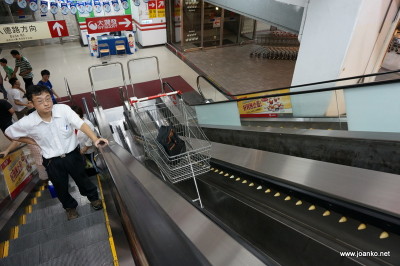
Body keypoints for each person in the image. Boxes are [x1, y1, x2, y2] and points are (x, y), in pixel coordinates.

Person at [5, 85, 109, 220]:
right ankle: (70, 208)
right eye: (40, 101)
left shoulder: (63, 110)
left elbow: (81, 124)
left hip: (73, 155)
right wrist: (31, 141)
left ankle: (94, 199)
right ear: (31, 103)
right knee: (60, 187)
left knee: (83, 180)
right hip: (52, 161)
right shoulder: (28, 122)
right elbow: (9, 133)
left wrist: (95, 139)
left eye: (48, 98)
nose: (47, 103)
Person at [71, 106, 99, 175]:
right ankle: (89, 173)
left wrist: (85, 149)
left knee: (91, 161)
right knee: (85, 163)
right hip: (79, 148)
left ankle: (97, 173)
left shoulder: (87, 123)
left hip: (88, 148)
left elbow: (91, 137)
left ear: (79, 114)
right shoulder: (73, 124)